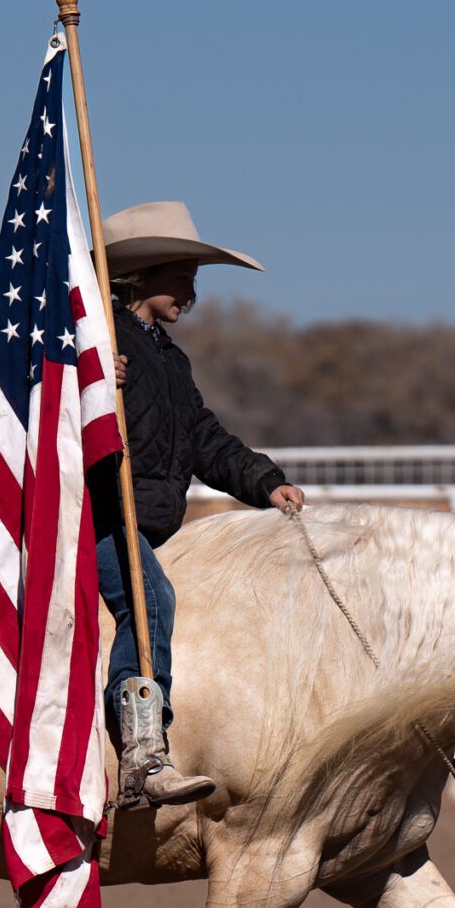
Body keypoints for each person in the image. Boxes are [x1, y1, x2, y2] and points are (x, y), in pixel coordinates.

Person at [92, 201, 306, 808]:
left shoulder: (169, 359)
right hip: (95, 518)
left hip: (143, 524)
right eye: (181, 278)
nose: (191, 293)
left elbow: (204, 439)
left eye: (193, 280)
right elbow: (45, 406)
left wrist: (263, 482)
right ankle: (141, 753)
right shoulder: (95, 341)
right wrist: (92, 384)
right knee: (151, 599)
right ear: (141, 276)